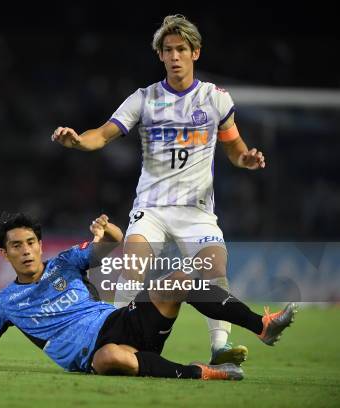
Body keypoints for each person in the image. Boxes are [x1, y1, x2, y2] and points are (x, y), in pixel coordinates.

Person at [51, 14, 265, 366]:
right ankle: (113, 336)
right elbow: (102, 135)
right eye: (168, 50)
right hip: (151, 206)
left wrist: (247, 158)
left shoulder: (214, 99)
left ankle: (219, 347)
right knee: (133, 262)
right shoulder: (144, 99)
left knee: (213, 268)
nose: (175, 56)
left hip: (196, 210)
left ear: (195, 53)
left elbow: (235, 149)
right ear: (160, 55)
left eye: (181, 49)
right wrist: (76, 141)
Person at [0, 212, 296, 380]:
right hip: (93, 354)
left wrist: (109, 230)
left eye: (31, 242)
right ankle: (204, 372)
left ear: (39, 244)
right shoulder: (4, 302)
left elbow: (112, 243)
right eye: (17, 245)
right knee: (110, 358)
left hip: (120, 321)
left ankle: (263, 326)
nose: (26, 250)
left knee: (180, 279)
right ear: (4, 253)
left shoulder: (64, 262)